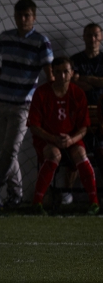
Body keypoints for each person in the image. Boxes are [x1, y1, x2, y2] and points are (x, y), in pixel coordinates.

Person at [0, 0, 54, 207]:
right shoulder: (5, 37)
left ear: (34, 17)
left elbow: (50, 76)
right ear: (14, 16)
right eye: (19, 15)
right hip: (0, 101)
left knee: (11, 150)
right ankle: (16, 194)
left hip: (24, 105)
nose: (23, 19)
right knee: (4, 151)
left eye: (27, 15)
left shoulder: (41, 41)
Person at [27, 57, 98, 215]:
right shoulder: (41, 93)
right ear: (52, 73)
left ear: (72, 73)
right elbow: (34, 126)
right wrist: (53, 139)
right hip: (47, 140)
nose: (62, 76)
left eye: (66, 72)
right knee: (54, 154)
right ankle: (37, 203)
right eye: (57, 72)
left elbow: (84, 128)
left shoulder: (78, 93)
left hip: (71, 139)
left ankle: (94, 202)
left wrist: (71, 140)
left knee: (80, 153)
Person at [60, 23, 103, 204]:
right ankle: (67, 192)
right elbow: (71, 84)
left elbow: (81, 81)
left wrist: (85, 79)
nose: (92, 39)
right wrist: (97, 82)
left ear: (100, 37)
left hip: (101, 114)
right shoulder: (75, 60)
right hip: (79, 113)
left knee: (100, 152)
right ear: (83, 37)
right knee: (74, 151)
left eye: (95, 35)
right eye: (88, 35)